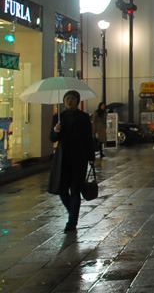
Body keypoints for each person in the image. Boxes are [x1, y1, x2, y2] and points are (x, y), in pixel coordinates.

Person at [49, 90, 94, 232]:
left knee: (75, 190)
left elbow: (88, 138)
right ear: (63, 101)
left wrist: (91, 157)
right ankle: (73, 212)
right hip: (63, 160)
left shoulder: (84, 117)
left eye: (73, 99)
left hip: (79, 159)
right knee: (62, 190)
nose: (70, 101)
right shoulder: (58, 118)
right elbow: (52, 138)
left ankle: (72, 222)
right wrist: (56, 130)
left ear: (77, 101)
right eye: (67, 99)